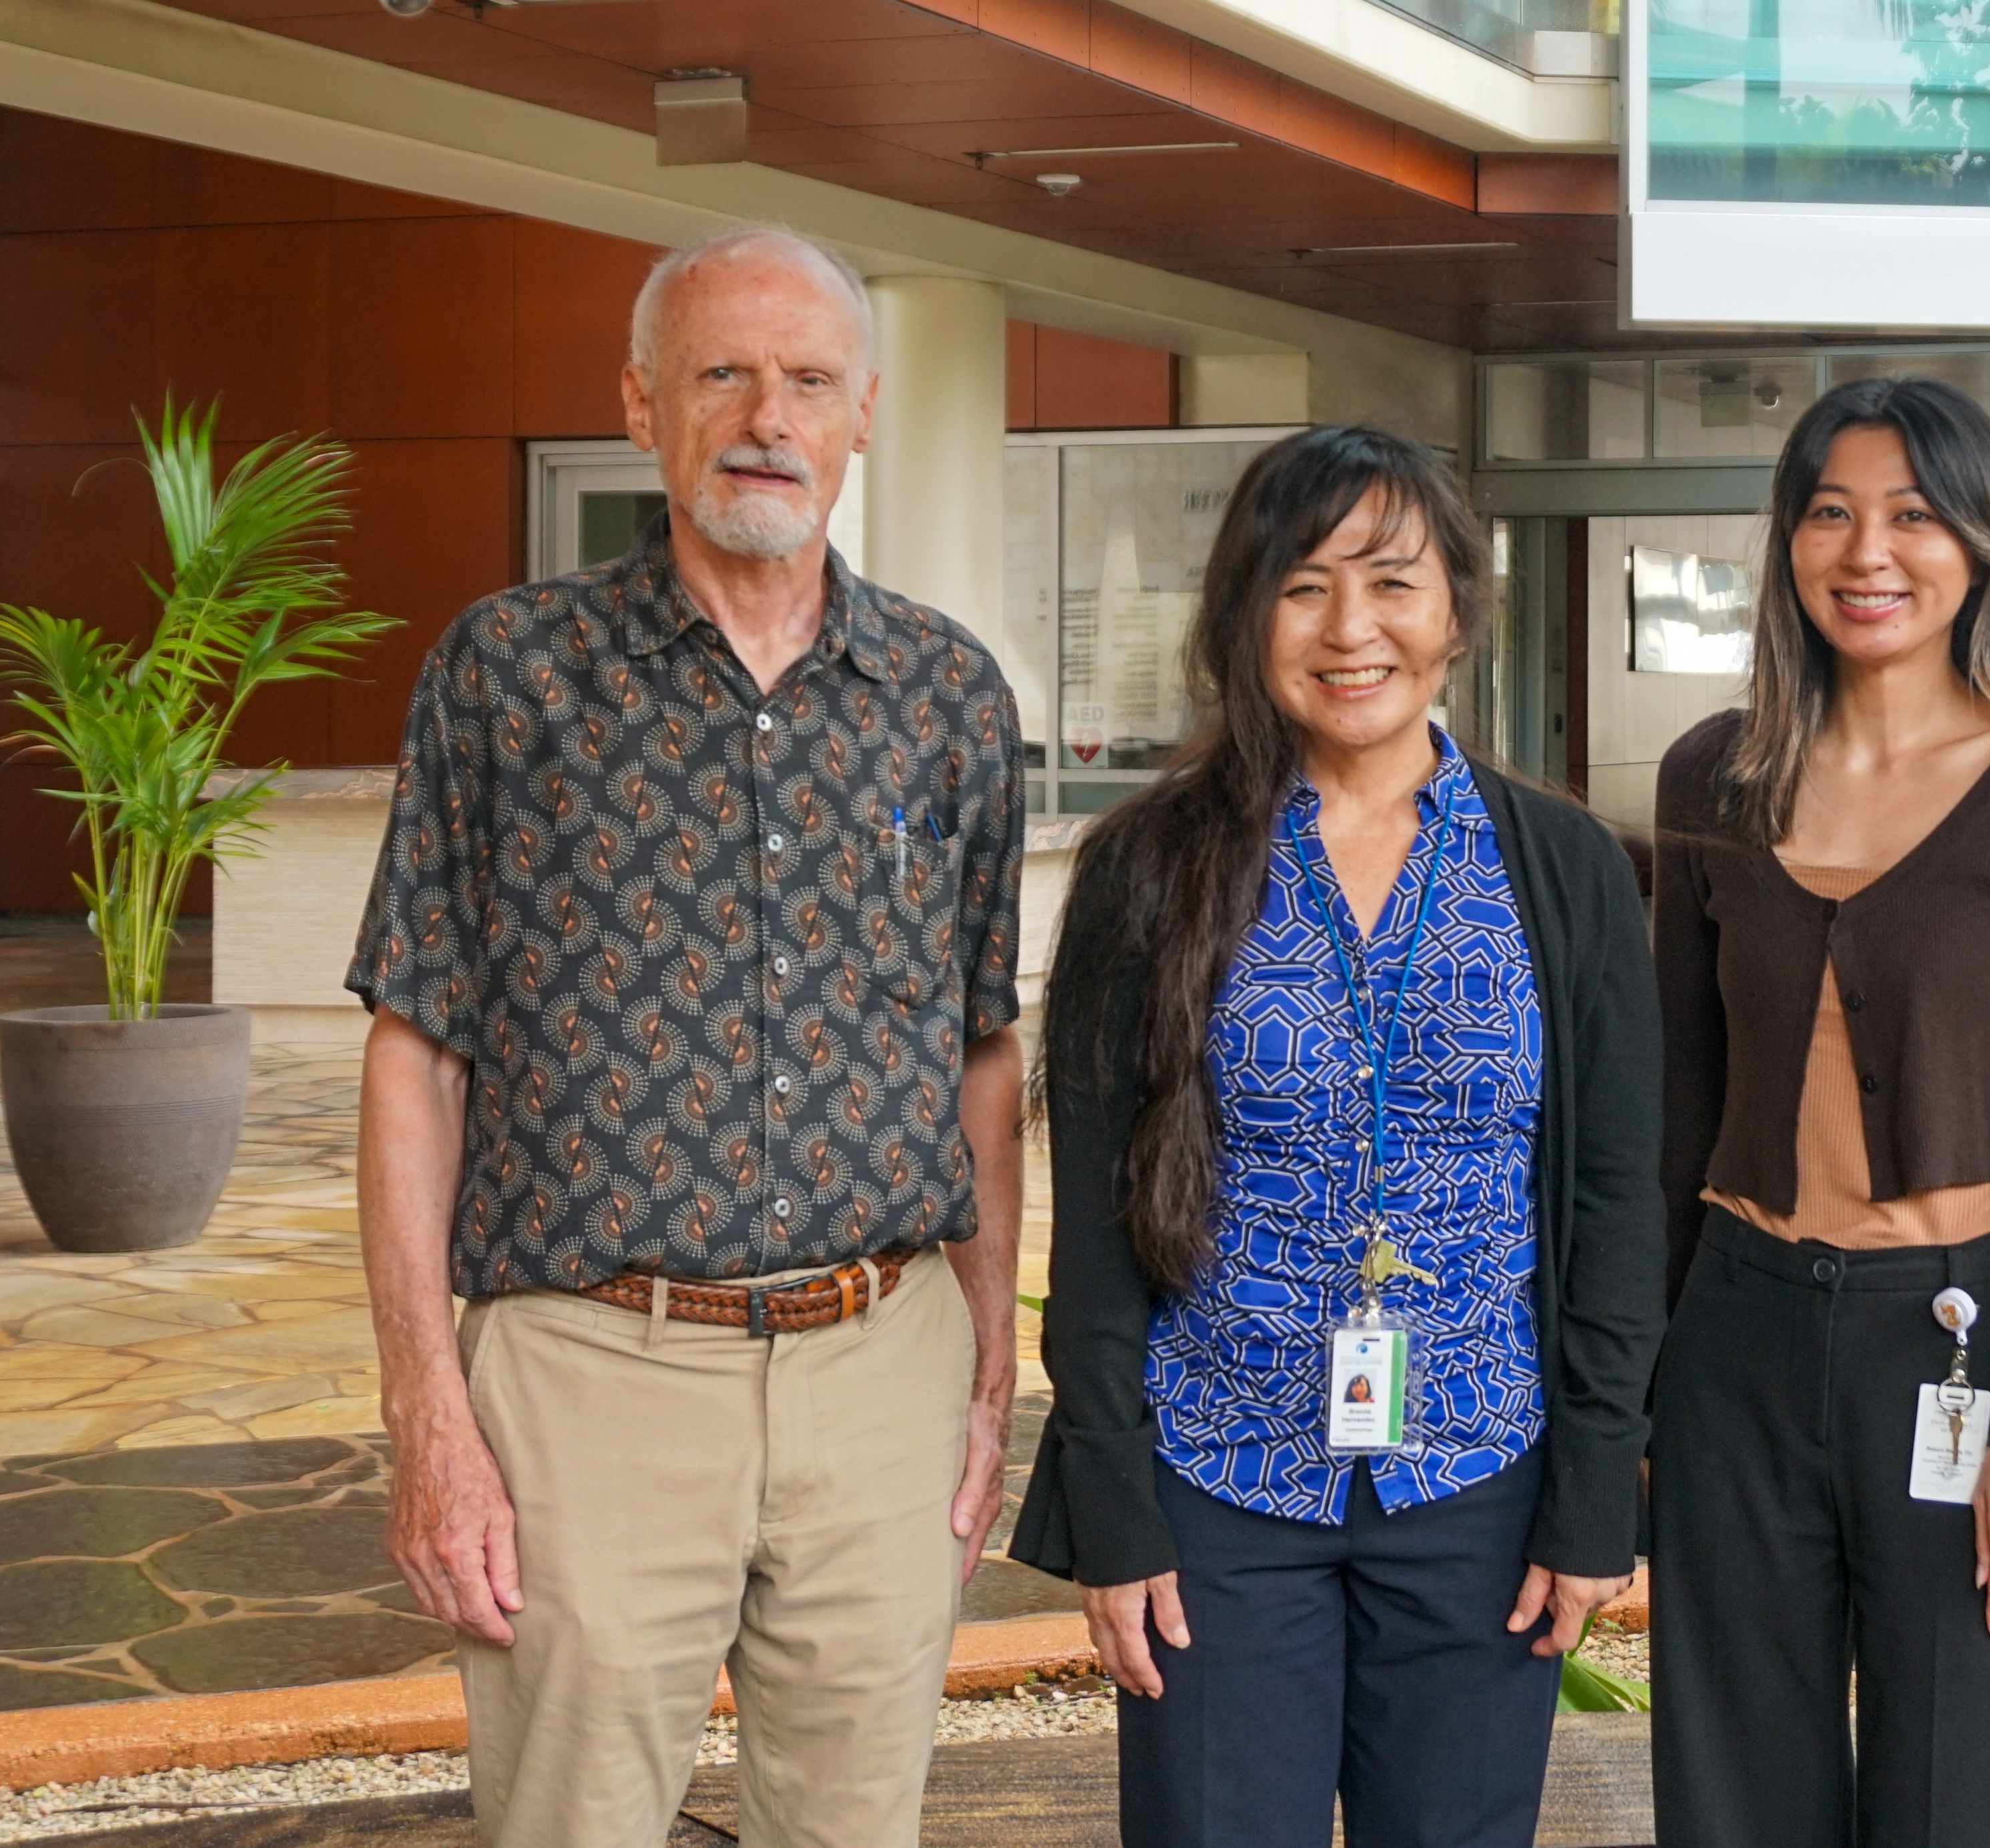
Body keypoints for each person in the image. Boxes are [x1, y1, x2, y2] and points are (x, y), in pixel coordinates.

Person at [350, 222, 1026, 1847]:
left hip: (884, 1367)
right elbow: (414, 1055)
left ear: (865, 411)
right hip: (590, 1373)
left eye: (805, 380)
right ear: (643, 403)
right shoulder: (508, 675)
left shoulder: (948, 694)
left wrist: (993, 1371)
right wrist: (427, 1413)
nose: (764, 418)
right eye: (721, 373)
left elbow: (983, 1056)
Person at [1009, 425, 1665, 1848]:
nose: (1350, 628)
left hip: (1480, 1472)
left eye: (1390, 582)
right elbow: (1104, 1221)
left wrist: (1592, 1489)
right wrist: (1112, 1501)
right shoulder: (1150, 864)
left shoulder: (1565, 868)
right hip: (1215, 1479)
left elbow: (1619, 1198)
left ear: (1457, 613)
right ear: (1244, 619)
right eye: (1301, 587)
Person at [1647, 376, 1990, 1848]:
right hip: (1735, 1333)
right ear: (1788, 543)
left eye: (1914, 515)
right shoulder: (1713, 775)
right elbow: (1676, 1107)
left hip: (1958, 1337)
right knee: (1736, 1791)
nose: (1869, 552)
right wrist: (1643, 1393)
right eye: (1830, 513)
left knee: (1965, 1795)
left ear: (1981, 541)